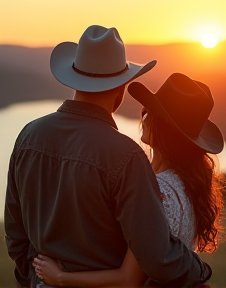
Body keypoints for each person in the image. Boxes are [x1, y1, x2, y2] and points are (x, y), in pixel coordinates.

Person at [4, 25, 212, 288]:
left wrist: (34, 279)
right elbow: (157, 257)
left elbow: (15, 233)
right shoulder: (126, 157)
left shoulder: (27, 137)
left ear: (73, 76)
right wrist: (199, 269)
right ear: (121, 87)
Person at [32, 73, 226, 287]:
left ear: (163, 129)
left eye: (150, 113)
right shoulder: (186, 185)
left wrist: (60, 277)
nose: (143, 118)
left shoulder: (157, 191)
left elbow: (128, 279)